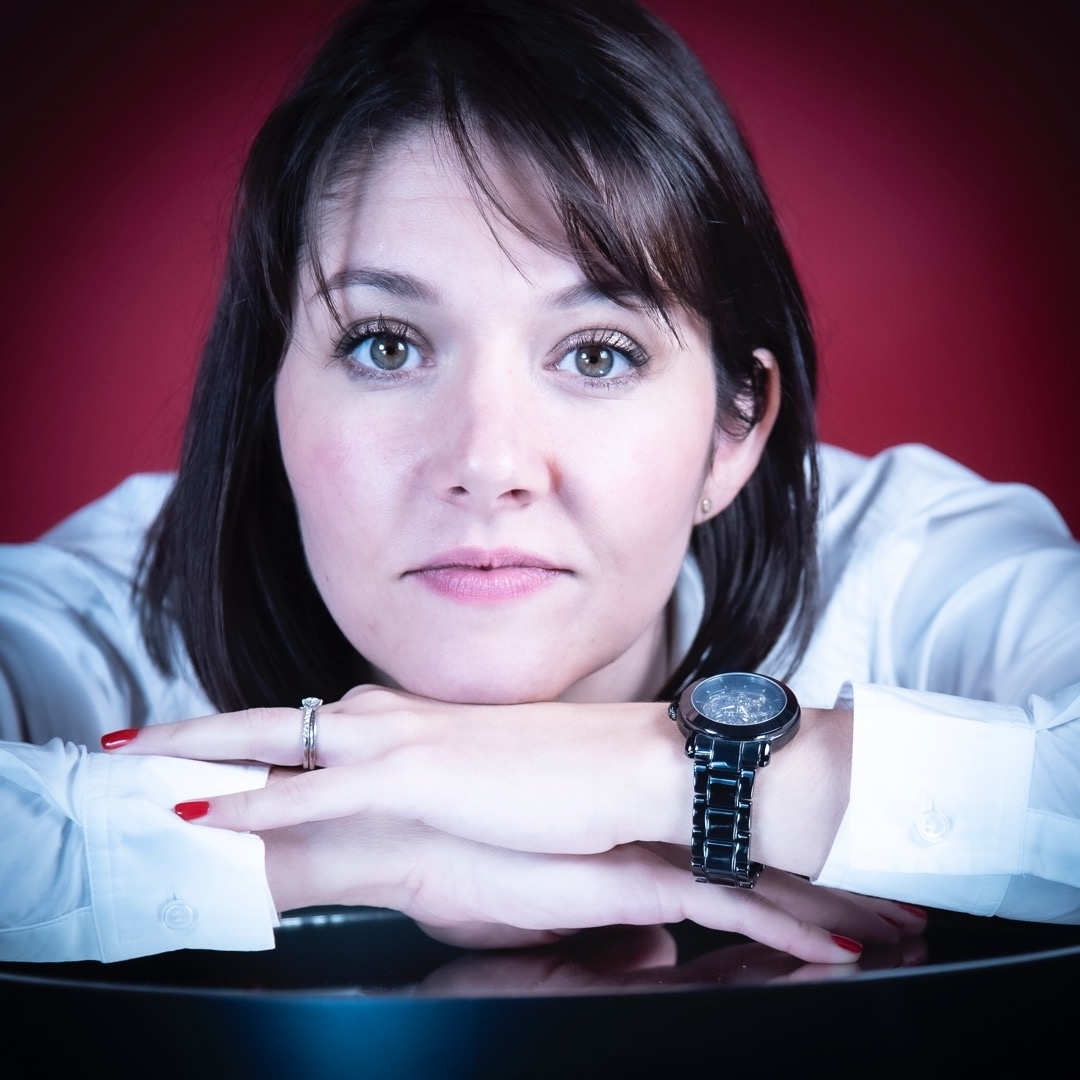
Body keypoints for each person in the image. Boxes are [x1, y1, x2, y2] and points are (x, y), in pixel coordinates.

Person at [1, 0, 1076, 966]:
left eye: (596, 354)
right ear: (268, 401)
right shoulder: (119, 613)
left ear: (734, 430)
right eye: (385, 345)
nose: (488, 465)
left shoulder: (904, 563)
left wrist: (662, 773)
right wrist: (354, 845)